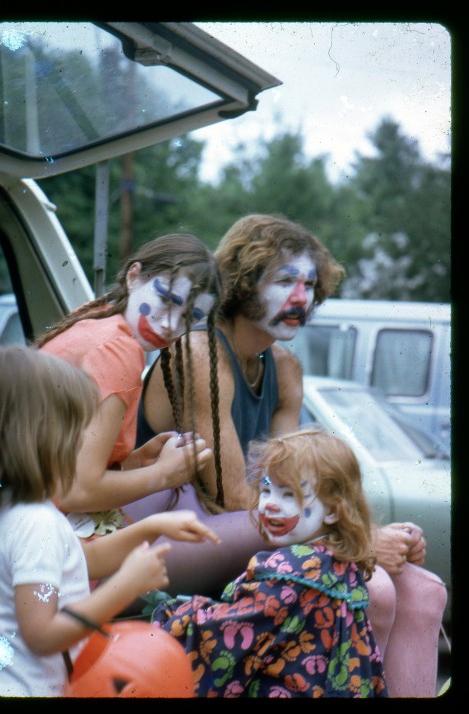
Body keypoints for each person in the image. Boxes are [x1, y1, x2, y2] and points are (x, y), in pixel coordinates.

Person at [125, 214, 447, 697]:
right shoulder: (198, 354)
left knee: (425, 592)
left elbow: (298, 481)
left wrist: (363, 534)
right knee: (373, 585)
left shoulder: (286, 367)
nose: (302, 298)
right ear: (242, 282)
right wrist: (358, 540)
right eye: (285, 281)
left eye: (310, 284)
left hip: (247, 530)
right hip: (176, 534)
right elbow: (232, 497)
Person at [0, 345, 220, 697]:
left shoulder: (10, 510)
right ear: (37, 440)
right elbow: (42, 635)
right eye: (76, 438)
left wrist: (151, 528)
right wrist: (123, 587)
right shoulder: (35, 524)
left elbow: (80, 560)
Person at [152, 429, 388, 698]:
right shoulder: (339, 565)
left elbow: (229, 633)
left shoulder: (289, 573)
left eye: (289, 495)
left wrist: (177, 615)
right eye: (266, 490)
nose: (271, 505)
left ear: (333, 510)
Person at [35, 233, 223, 536]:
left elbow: (62, 465)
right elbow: (76, 490)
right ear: (134, 276)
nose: (170, 325)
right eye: (166, 300)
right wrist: (163, 475)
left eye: (190, 317)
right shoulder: (119, 350)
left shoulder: (96, 318)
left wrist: (137, 462)